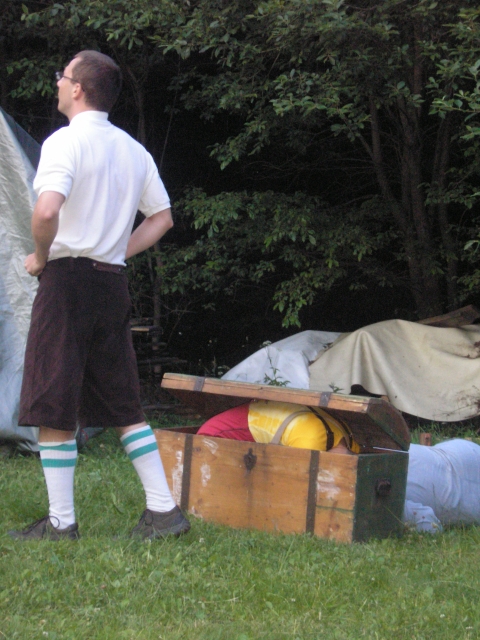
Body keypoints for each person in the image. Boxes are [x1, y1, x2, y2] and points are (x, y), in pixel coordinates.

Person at [9, 50, 190, 542]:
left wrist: (40, 257)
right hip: (111, 283)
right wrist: (115, 251)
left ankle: (61, 523)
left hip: (66, 282)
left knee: (52, 399)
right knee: (123, 400)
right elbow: (162, 218)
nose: (57, 83)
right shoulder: (133, 150)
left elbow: (47, 211)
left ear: (78, 89)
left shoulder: (65, 142)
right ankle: (163, 512)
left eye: (62, 76)